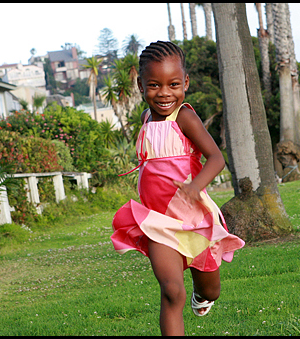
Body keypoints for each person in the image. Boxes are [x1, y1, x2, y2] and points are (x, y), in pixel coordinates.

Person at [111, 41, 245, 336]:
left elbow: (216, 158)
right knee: (172, 292)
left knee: (212, 291)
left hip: (194, 221)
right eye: (154, 85)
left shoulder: (184, 117)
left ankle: (203, 296)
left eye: (173, 84)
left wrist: (196, 187)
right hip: (158, 222)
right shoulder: (146, 119)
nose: (164, 93)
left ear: (185, 82)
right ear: (140, 85)